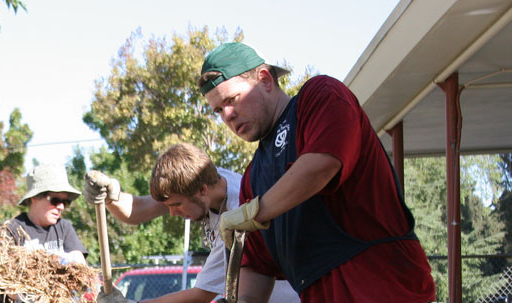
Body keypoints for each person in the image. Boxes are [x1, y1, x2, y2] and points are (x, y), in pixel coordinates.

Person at [197, 42, 436, 302]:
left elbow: (321, 166)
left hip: (383, 285)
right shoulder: (253, 177)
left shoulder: (320, 96)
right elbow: (257, 267)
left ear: (264, 79)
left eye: (232, 100)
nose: (228, 116)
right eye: (219, 110)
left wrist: (253, 211)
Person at [84, 143, 300, 303]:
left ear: (202, 190)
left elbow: (200, 296)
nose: (171, 213)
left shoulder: (237, 209)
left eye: (177, 205)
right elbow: (138, 211)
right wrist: (113, 196)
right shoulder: (204, 184)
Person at [0, 163, 88, 303]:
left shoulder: (64, 228)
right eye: (55, 200)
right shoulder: (11, 230)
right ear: (35, 197)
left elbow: (80, 266)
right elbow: (9, 287)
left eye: (65, 202)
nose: (61, 207)